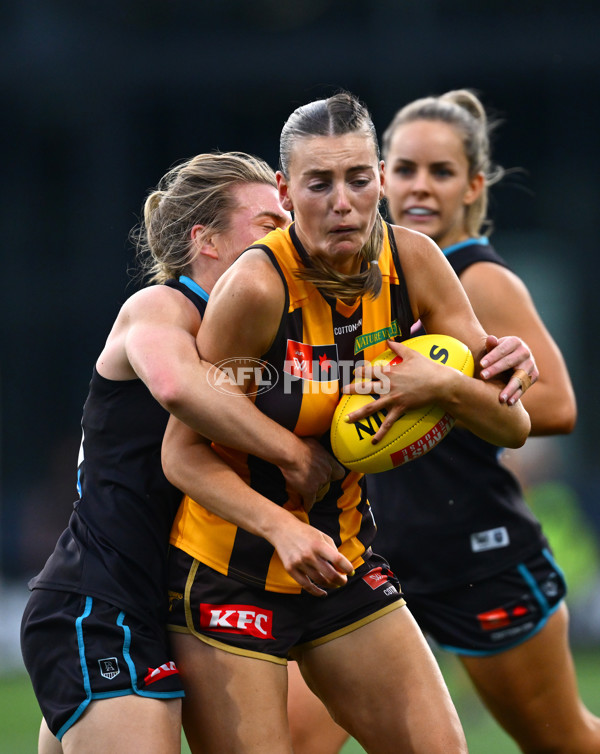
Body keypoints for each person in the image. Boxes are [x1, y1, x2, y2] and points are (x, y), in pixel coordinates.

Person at [162, 91, 536, 754]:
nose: (342, 201)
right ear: (285, 188)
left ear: (382, 180)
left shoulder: (416, 263)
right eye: (319, 183)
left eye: (359, 179)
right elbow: (183, 454)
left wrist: (448, 384)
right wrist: (281, 529)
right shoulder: (256, 289)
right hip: (233, 568)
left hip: (342, 561)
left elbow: (513, 427)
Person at [288, 90, 600, 754]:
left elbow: (557, 406)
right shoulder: (359, 273)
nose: (420, 187)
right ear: (380, 177)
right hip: (370, 552)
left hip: (474, 550)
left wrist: (445, 388)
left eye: (441, 171)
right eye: (404, 169)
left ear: (473, 186)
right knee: (293, 741)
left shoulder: (478, 279)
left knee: (564, 742)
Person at [20, 151, 354, 754]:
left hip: (190, 601)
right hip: (104, 599)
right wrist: (291, 454)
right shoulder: (160, 308)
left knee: (319, 723)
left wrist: (461, 369)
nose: (288, 239)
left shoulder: (268, 331)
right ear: (206, 240)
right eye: (269, 226)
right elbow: (178, 387)